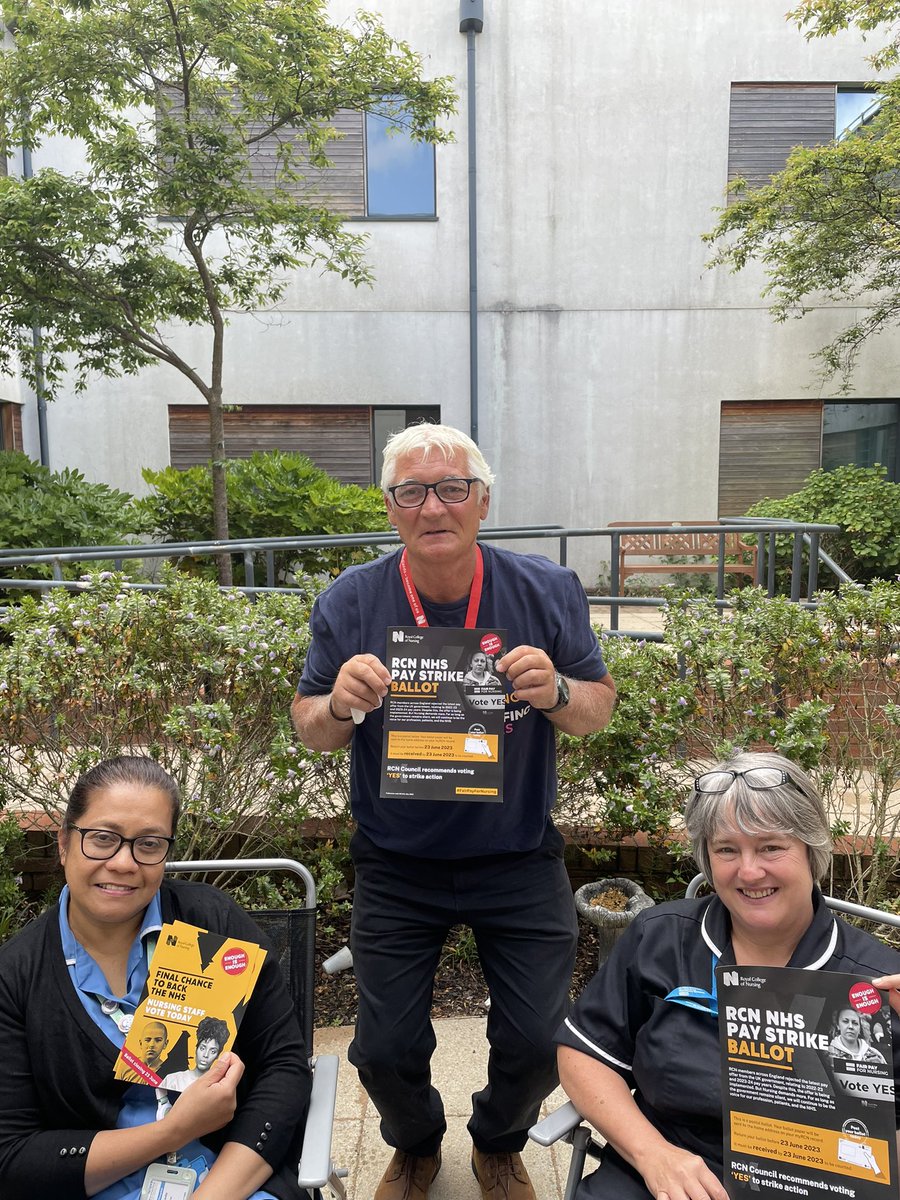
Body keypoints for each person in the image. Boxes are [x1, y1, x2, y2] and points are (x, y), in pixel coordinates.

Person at [291, 423, 616, 1200]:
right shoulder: (351, 599)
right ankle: (415, 1143)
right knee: (382, 1046)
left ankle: (500, 1142)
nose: (433, 505)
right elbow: (310, 728)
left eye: (451, 488)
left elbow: (597, 708)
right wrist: (340, 703)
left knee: (539, 1040)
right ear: (390, 507)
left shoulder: (547, 590)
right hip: (397, 860)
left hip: (518, 852)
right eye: (412, 491)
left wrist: (560, 692)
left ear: (482, 500)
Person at [555, 750, 900, 1200]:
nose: (750, 871)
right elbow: (585, 1054)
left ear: (811, 850)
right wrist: (651, 1153)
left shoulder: (875, 984)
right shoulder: (662, 940)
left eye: (772, 846)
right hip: (668, 1171)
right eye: (726, 850)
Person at [0, 756, 311, 1200]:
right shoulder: (15, 977)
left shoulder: (213, 923)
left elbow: (284, 1066)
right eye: (103, 838)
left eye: (148, 844)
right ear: (65, 843)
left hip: (231, 1183)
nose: (124, 863)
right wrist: (176, 1130)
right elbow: (12, 1158)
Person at [157, 1017, 232, 1119]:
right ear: (196, 1048)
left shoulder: (219, 1087)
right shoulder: (173, 1079)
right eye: (202, 1048)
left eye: (213, 1051)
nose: (206, 1055)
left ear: (218, 1055)